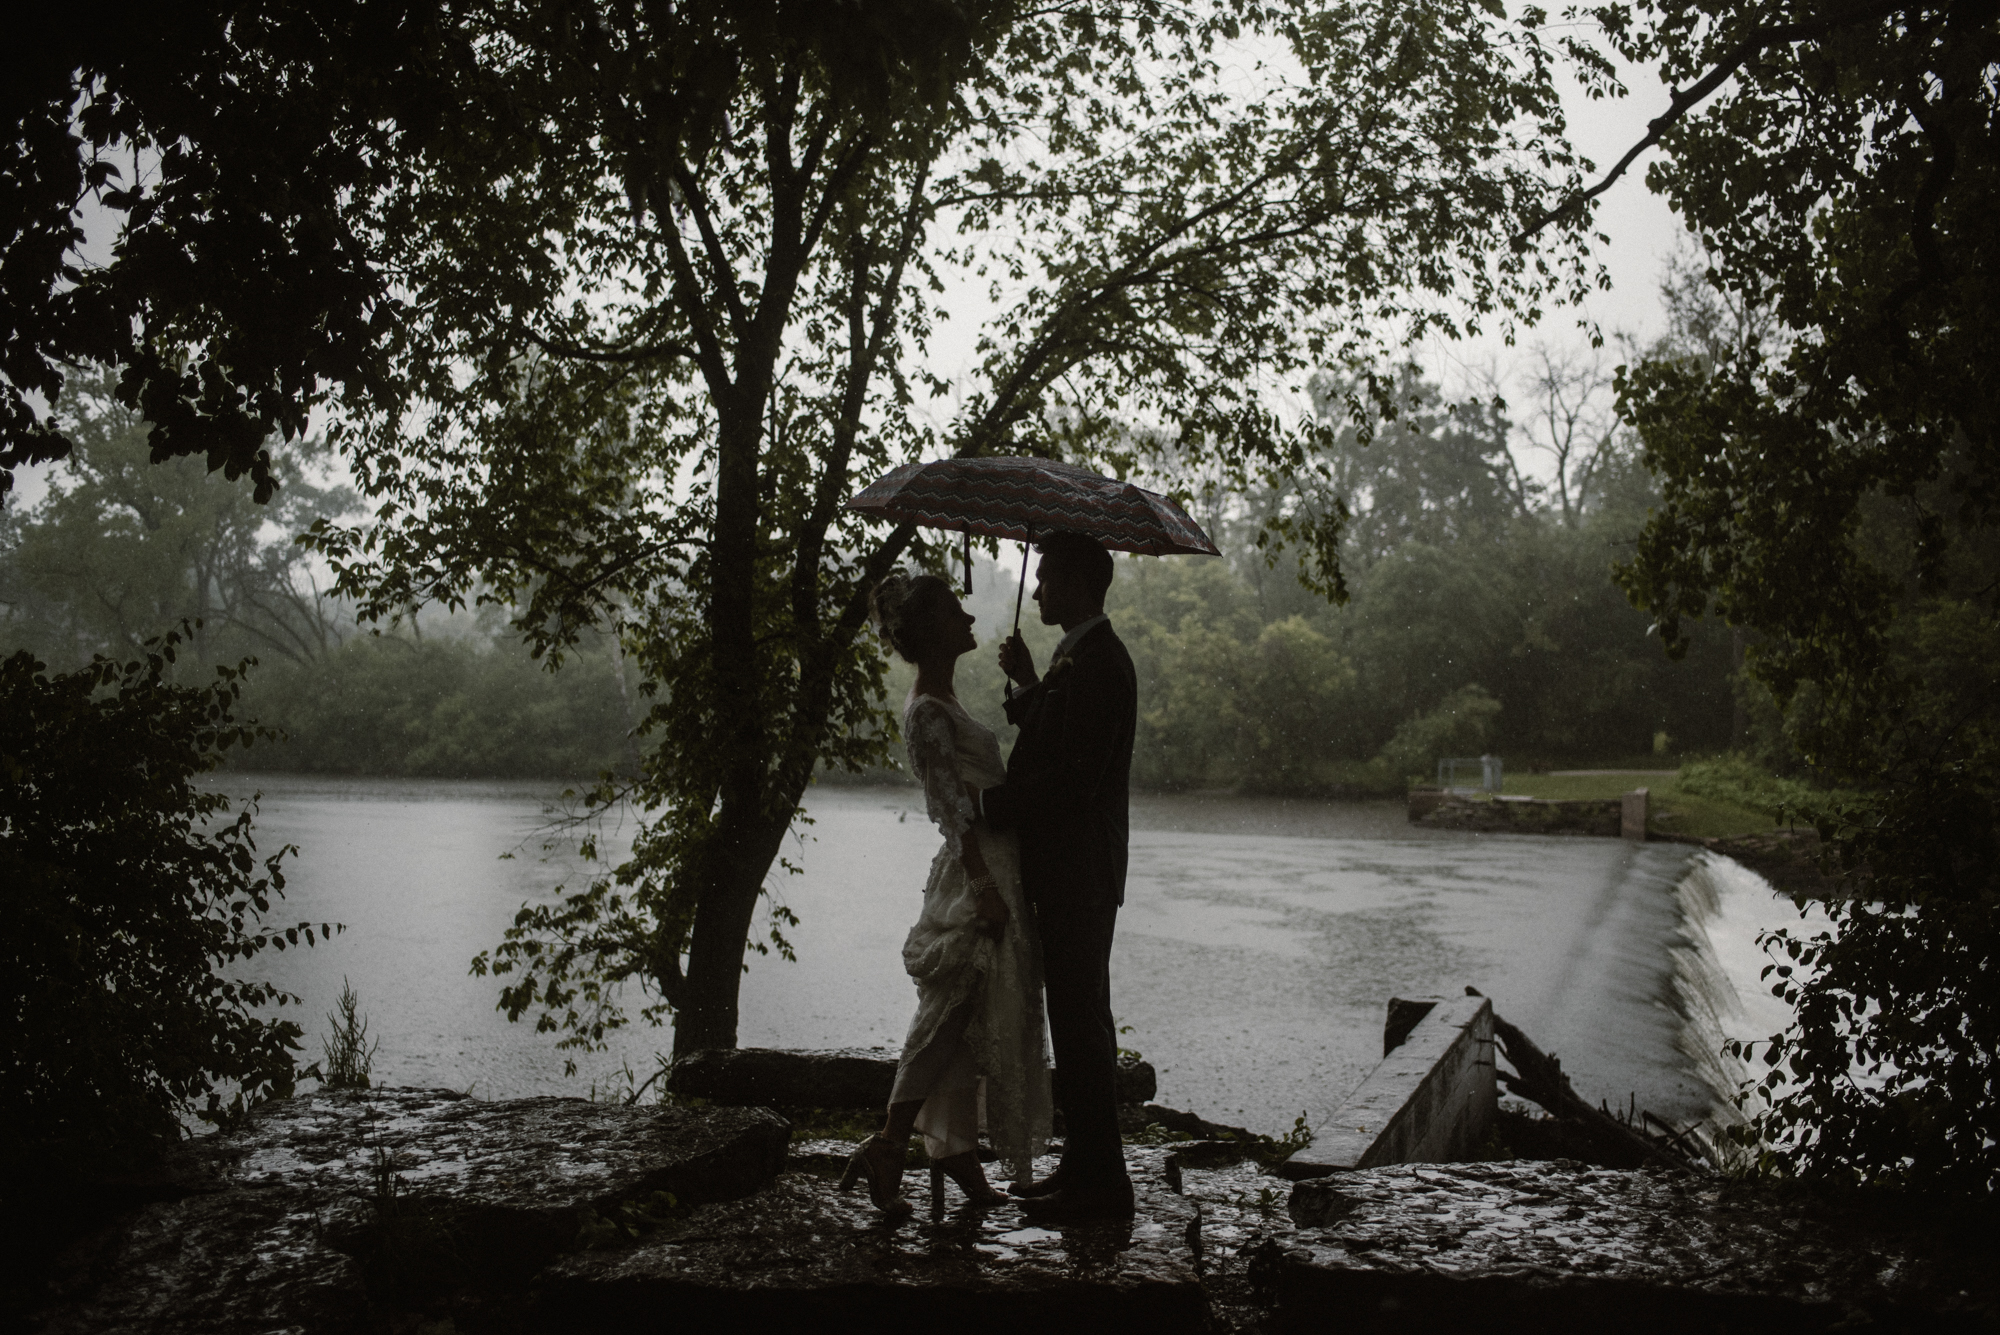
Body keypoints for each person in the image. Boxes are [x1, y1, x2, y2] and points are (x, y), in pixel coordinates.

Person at [840, 571, 1053, 1216]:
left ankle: (953, 1151)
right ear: (932, 630)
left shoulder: (945, 701)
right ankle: (890, 1141)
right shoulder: (927, 710)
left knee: (971, 1018)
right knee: (951, 1010)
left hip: (993, 865)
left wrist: (1026, 683)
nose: (967, 616)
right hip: (975, 872)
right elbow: (948, 806)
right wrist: (985, 888)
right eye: (954, 611)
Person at [977, 531, 1137, 1221]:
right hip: (1071, 870)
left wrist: (990, 805)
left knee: (1082, 1027)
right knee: (1075, 1022)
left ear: (1076, 582)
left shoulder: (1100, 662)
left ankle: (1103, 1186)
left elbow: (1074, 779)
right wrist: (1028, 680)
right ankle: (1084, 1168)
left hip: (1081, 872)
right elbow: (1054, 729)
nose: (1036, 590)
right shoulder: (1080, 657)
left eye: (1045, 578)